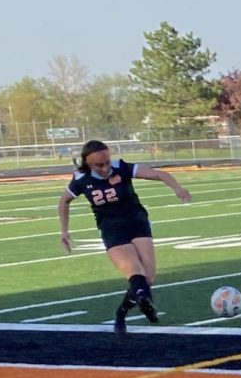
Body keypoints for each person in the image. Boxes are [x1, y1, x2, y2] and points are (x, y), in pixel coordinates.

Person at [58, 140, 191, 337]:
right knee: (135, 274)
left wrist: (177, 188)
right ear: (87, 163)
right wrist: (64, 231)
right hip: (111, 228)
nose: (104, 168)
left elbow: (158, 173)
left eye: (106, 163)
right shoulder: (80, 179)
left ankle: (127, 307)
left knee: (148, 279)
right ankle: (123, 314)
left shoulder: (121, 167)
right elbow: (64, 201)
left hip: (137, 221)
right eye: (98, 165)